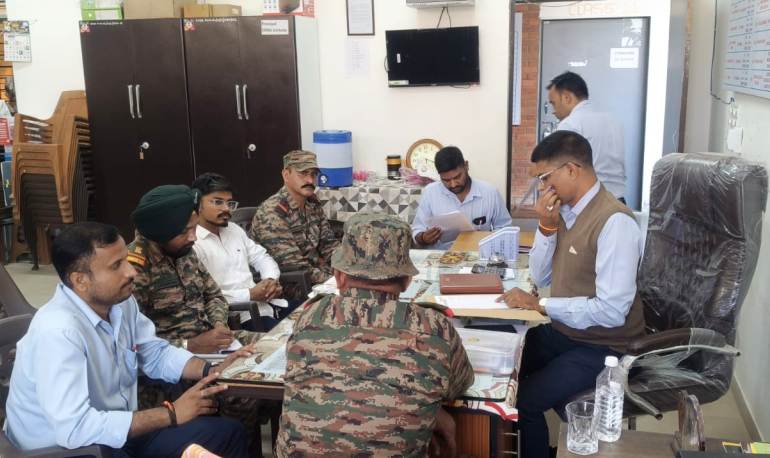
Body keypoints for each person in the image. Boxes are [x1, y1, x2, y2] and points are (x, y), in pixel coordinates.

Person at [3, 222, 249, 457]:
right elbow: (75, 428)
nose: (131, 272)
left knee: (228, 434)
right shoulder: (58, 332)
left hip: (116, 431)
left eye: (127, 260)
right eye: (116, 266)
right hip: (66, 450)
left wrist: (210, 370)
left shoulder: (120, 303)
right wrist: (171, 414)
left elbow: (154, 352)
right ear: (80, 280)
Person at [275, 213, 475, 457]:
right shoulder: (434, 327)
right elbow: (459, 385)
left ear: (339, 276)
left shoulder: (310, 316)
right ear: (407, 281)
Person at [497, 131, 645, 458]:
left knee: (525, 400)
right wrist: (546, 227)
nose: (542, 188)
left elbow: (611, 311)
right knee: (503, 362)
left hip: (604, 346)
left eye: (544, 178)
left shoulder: (615, 223)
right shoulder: (565, 212)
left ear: (571, 170)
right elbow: (540, 275)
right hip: (567, 332)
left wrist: (541, 304)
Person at [126, 185, 266, 455]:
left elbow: (214, 295)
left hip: (212, 344)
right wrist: (191, 344)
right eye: (185, 231)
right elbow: (134, 344)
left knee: (266, 353)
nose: (193, 236)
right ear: (161, 232)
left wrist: (219, 325)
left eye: (193, 228)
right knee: (242, 392)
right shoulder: (135, 270)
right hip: (171, 368)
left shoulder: (184, 252)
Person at [191, 173, 283, 330]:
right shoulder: (193, 242)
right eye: (218, 202)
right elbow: (204, 297)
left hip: (269, 306)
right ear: (198, 204)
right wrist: (249, 294)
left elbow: (261, 257)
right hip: (238, 319)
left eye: (230, 203)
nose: (226, 209)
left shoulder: (234, 229)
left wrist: (270, 280)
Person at [250, 150, 339, 302]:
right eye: (303, 174)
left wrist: (347, 268)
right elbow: (294, 265)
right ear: (286, 175)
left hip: (320, 275)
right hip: (291, 284)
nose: (310, 180)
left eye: (313, 174)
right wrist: (336, 281)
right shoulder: (272, 213)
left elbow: (328, 244)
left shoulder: (312, 203)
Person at [412, 146, 512, 250]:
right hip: (441, 255)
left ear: (466, 166)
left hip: (479, 253)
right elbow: (417, 230)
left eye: (457, 177)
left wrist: (486, 239)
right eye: (446, 180)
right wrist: (424, 238)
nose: (453, 184)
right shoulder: (430, 193)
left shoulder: (490, 193)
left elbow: (505, 229)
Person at [548, 71, 627, 202]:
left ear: (567, 97)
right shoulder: (613, 120)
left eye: (553, 103)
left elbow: (562, 172)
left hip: (589, 202)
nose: (553, 111)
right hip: (618, 200)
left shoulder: (570, 124)